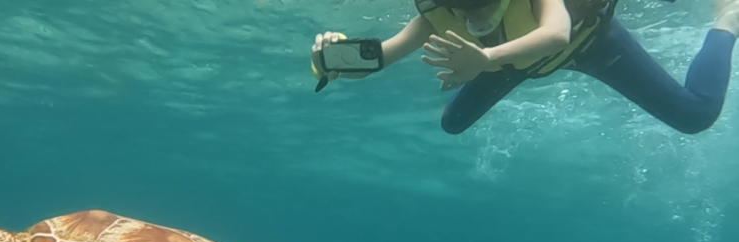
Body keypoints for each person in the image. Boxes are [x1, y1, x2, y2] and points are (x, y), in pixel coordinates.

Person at [310, 0, 739, 134]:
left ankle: (727, 21)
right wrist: (331, 59)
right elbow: (383, 55)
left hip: (588, 44)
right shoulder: (433, 14)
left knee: (694, 114)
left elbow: (556, 33)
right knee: (451, 124)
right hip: (513, 65)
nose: (472, 15)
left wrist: (487, 58)